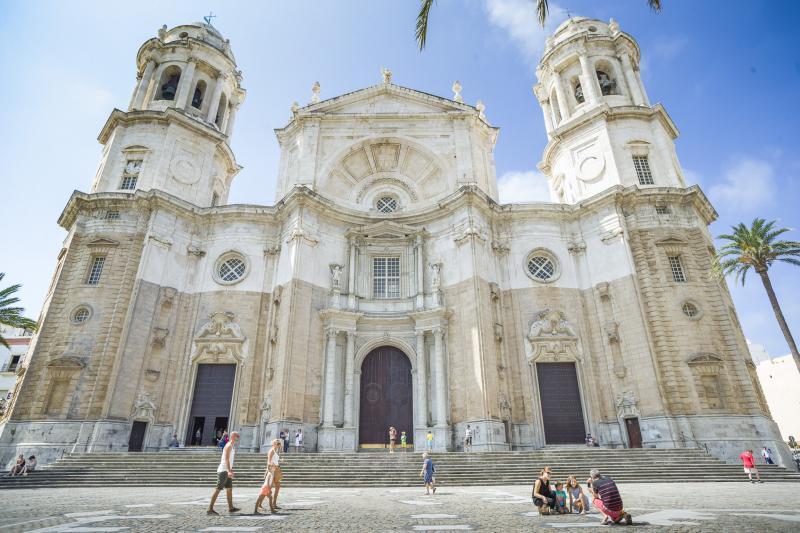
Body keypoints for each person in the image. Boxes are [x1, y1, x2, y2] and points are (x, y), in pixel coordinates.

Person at [207, 431, 241, 515]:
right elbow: (226, 459)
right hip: (223, 470)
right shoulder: (229, 445)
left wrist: (230, 470)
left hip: (227, 470)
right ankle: (210, 509)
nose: (238, 438)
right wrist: (229, 470)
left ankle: (231, 508)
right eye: (237, 436)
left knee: (229, 489)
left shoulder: (232, 445)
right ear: (233, 436)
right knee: (218, 489)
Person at [254, 439, 283, 514]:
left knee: (269, 490)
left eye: (279, 444)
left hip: (274, 470)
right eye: (278, 443)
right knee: (267, 491)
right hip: (272, 471)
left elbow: (273, 461)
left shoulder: (275, 451)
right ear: (274, 444)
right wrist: (269, 471)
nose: (279, 445)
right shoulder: (271, 451)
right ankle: (266, 506)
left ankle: (270, 505)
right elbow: (269, 462)